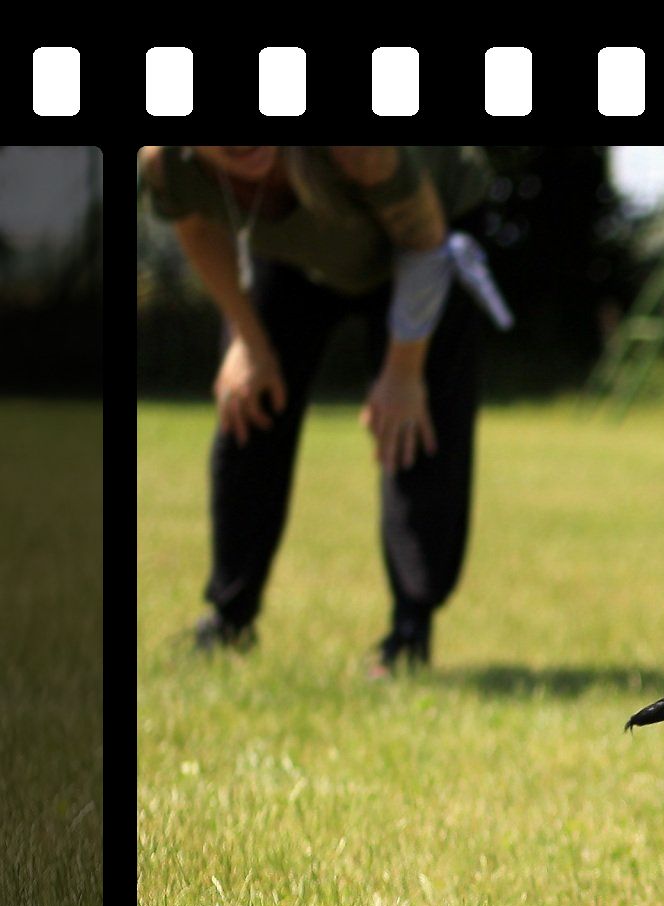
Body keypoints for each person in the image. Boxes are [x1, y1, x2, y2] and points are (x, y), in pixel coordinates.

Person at [139, 145, 509, 675]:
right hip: (293, 256)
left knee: (412, 427)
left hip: (424, 243)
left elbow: (423, 241)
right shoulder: (168, 163)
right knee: (248, 404)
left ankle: (410, 631)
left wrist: (403, 373)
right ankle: (229, 618)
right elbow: (196, 228)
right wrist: (246, 338)